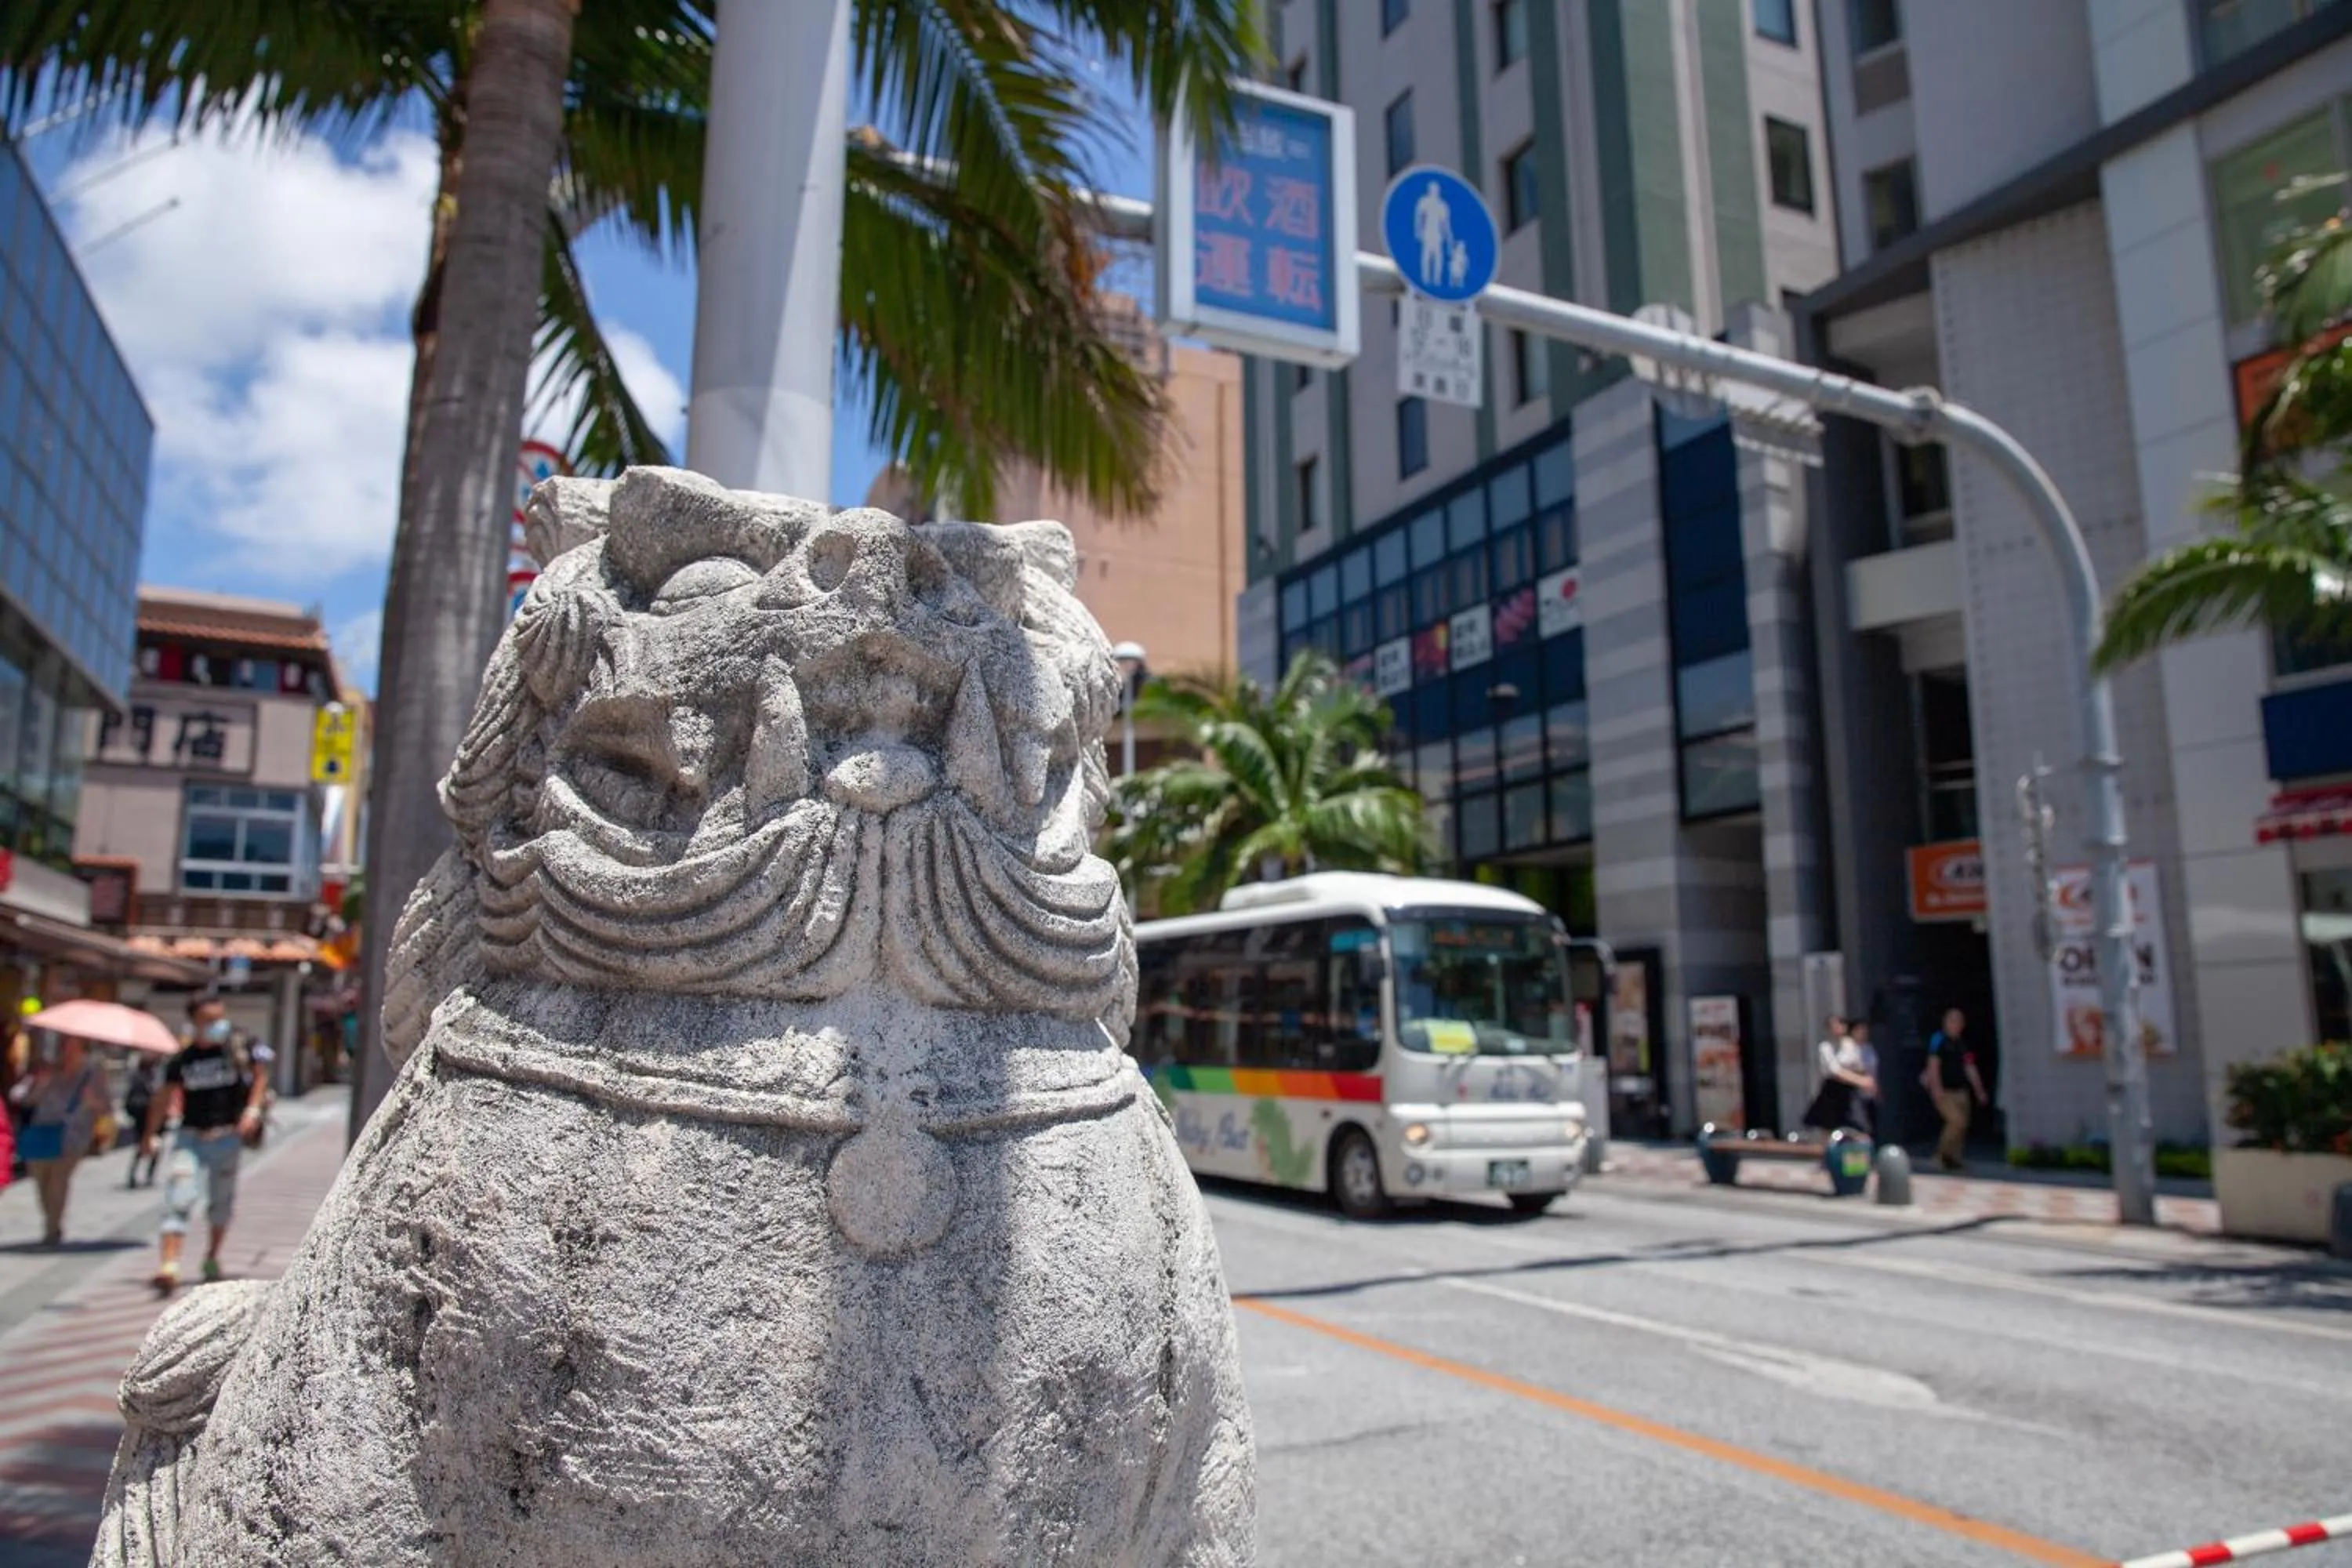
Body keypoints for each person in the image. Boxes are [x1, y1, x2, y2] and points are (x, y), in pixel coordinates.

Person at [142, 993, 267, 1293]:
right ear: (194, 1022)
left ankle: (211, 1256)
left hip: (227, 1137)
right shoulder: (182, 1059)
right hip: (191, 1138)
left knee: (220, 1203)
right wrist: (150, 1134)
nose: (217, 1025)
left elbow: (260, 1076)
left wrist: (252, 1110)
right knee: (178, 1199)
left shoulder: (236, 1048)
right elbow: (163, 1098)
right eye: (209, 1020)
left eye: (219, 1017)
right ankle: (169, 1266)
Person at [9, 1027, 103, 1246]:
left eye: (74, 1044)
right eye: (65, 1044)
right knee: (41, 1182)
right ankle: (51, 1219)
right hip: (41, 1132)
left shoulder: (92, 1072)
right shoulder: (45, 1069)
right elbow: (21, 1098)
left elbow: (104, 1105)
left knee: (59, 1182)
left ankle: (53, 1228)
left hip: (73, 1136)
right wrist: (40, 1084)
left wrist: (93, 1102)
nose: (68, 1049)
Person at [1921, 1007, 1989, 1171]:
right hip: (1945, 1091)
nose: (1955, 1025)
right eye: (1952, 1021)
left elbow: (1970, 1066)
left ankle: (1954, 1158)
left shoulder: (1962, 1043)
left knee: (1963, 1125)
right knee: (1955, 1121)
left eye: (1958, 1021)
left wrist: (1979, 1090)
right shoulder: (1938, 1040)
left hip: (1961, 1090)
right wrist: (1936, 1089)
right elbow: (1933, 1065)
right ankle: (1940, 1155)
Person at [1802, 1014, 1875, 1135]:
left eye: (1840, 1025)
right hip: (1832, 1091)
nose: (1837, 1029)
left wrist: (1865, 1080)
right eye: (1833, 1026)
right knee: (1828, 1126)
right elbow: (1834, 1071)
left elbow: (1860, 1065)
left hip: (1850, 1092)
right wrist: (1859, 1080)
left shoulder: (1851, 1045)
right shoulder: (1825, 1047)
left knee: (1860, 1126)